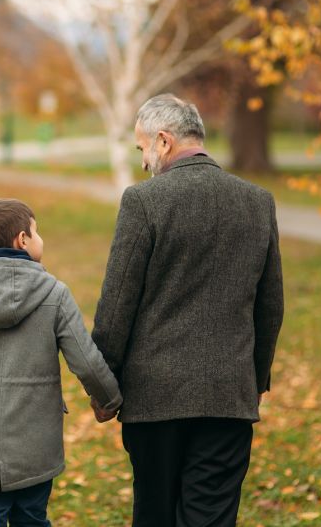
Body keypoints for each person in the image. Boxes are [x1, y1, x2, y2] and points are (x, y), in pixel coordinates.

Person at [90, 94, 284, 527]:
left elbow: (117, 304)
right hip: (227, 397)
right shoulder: (257, 201)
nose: (142, 162)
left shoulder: (144, 202)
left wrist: (104, 384)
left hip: (153, 399)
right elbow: (271, 306)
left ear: (163, 141)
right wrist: (253, 380)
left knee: (155, 515)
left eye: (142, 149)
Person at [0, 198, 122, 527]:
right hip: (35, 445)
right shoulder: (54, 294)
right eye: (37, 232)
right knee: (31, 519)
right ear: (22, 239)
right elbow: (86, 359)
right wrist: (108, 399)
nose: (40, 239)